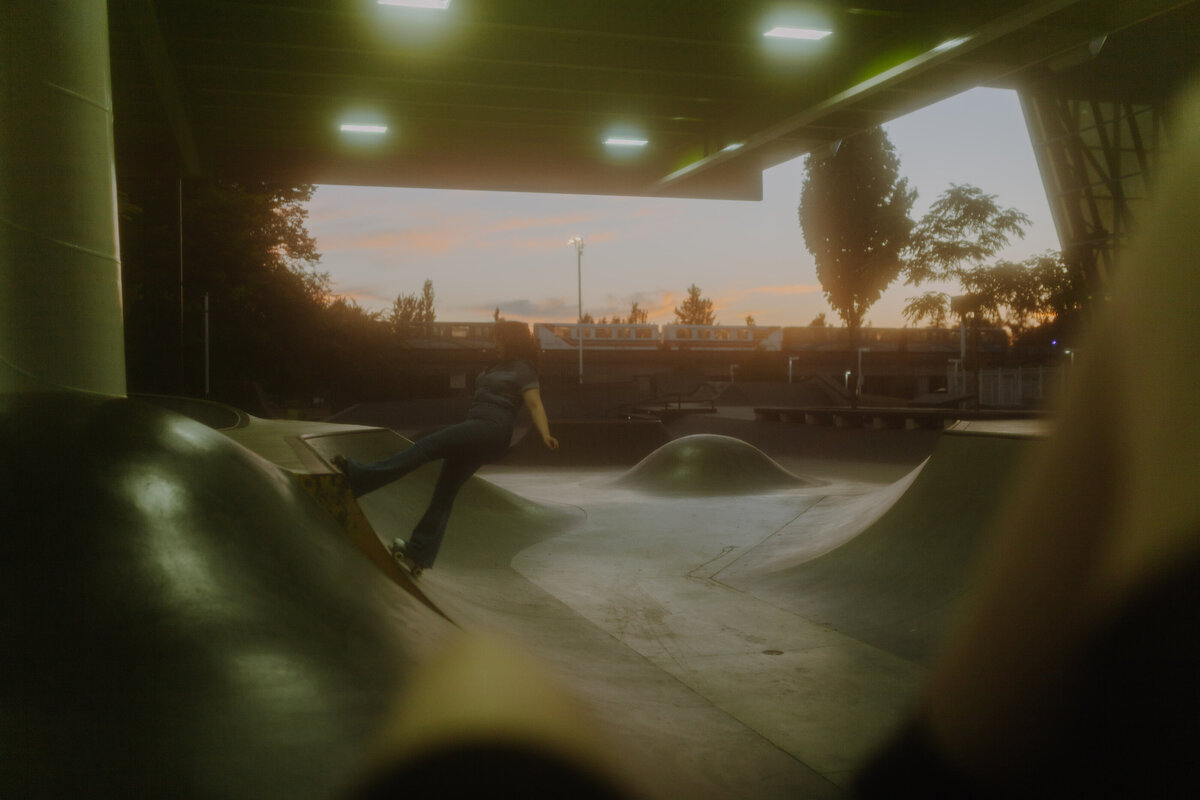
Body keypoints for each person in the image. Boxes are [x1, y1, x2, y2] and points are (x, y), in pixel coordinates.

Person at [333, 320, 558, 572]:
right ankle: (420, 551)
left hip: (492, 429)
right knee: (445, 490)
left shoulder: (524, 369)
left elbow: (535, 404)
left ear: (511, 340)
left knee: (426, 446)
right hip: (478, 428)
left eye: (499, 339)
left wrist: (545, 434)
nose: (494, 344)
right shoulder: (495, 366)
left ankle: (360, 478)